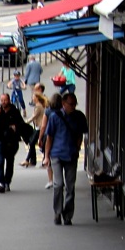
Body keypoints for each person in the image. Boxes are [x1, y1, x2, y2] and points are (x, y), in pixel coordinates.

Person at [42, 90, 88, 225]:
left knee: (70, 186)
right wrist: (46, 156)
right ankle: (57, 212)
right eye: (70, 104)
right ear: (63, 103)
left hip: (71, 154)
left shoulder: (79, 116)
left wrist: (78, 147)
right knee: (58, 184)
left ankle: (67, 215)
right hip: (56, 154)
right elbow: (49, 137)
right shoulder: (55, 117)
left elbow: (81, 134)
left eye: (74, 104)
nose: (73, 106)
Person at [0, 93, 25, 193]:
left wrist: (15, 127)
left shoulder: (14, 111)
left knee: (9, 162)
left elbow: (21, 124)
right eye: (2, 100)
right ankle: (0, 182)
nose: (3, 102)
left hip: (11, 141)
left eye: (5, 100)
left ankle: (7, 181)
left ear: (9, 100)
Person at [23, 84, 48, 167]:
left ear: (37, 98)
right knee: (33, 143)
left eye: (33, 97)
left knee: (32, 142)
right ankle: (32, 160)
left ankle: (29, 160)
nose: (32, 98)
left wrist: (26, 122)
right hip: (38, 127)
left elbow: (34, 116)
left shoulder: (38, 106)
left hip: (40, 127)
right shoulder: (39, 105)